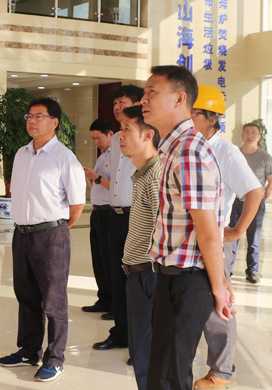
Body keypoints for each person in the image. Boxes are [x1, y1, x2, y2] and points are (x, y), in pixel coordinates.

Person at [140, 66, 235, 390]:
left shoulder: (189, 152)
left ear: (180, 99)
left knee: (169, 376)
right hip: (175, 277)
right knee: (165, 370)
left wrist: (219, 287)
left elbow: (208, 231)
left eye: (152, 92)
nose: (143, 100)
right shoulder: (174, 147)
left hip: (187, 281)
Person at [0, 98, 86, 382]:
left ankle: (55, 358)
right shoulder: (22, 154)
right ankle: (28, 350)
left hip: (50, 236)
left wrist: (56, 229)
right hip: (21, 234)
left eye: (39, 116)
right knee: (26, 295)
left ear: (54, 122)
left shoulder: (64, 157)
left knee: (53, 300)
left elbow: (77, 204)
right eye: (29, 116)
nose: (32, 121)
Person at [191, 85, 264, 390]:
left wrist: (238, 230)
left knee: (217, 299)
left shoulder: (226, 151)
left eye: (194, 113)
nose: (188, 118)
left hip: (214, 238)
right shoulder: (189, 146)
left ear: (212, 118)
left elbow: (255, 191)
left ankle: (222, 371)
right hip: (188, 239)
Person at [93, 84, 143, 353]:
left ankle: (139, 340)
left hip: (137, 217)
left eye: (122, 102)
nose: (116, 107)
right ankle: (121, 333)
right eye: (114, 103)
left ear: (138, 104)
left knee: (138, 281)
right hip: (116, 216)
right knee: (117, 277)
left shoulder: (149, 135)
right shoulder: (115, 141)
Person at [118, 105, 161, 390]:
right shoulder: (142, 174)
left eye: (126, 129)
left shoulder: (155, 175)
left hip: (150, 275)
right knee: (141, 352)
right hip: (139, 273)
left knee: (148, 355)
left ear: (148, 135)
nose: (120, 135)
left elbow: (165, 228)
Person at [229, 122, 272, 284]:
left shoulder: (265, 157)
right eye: (246, 132)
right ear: (242, 135)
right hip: (235, 202)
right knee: (231, 236)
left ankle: (252, 271)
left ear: (259, 137)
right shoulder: (234, 154)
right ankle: (227, 270)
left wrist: (263, 199)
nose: (249, 135)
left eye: (253, 133)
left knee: (253, 238)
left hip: (255, 203)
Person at [82, 117, 115, 316]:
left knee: (110, 260)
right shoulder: (102, 156)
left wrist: (97, 177)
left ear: (111, 134)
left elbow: (118, 188)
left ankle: (115, 304)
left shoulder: (118, 156)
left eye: (99, 138)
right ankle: (104, 299)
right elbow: (97, 185)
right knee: (99, 260)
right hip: (97, 212)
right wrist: (91, 179)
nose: (96, 142)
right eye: (93, 139)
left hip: (110, 213)